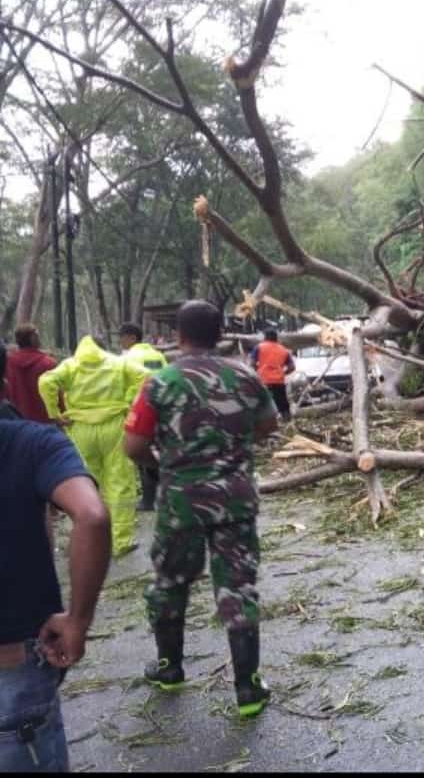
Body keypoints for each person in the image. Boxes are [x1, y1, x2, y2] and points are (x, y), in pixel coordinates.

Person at [123, 300, 278, 718]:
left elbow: (133, 447)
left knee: (170, 582)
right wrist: (232, 452)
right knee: (238, 588)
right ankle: (248, 687)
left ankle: (169, 668)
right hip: (235, 501)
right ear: (222, 333)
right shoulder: (245, 377)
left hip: (180, 504)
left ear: (179, 335)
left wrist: (171, 464)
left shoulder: (159, 384)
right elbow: (268, 425)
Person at [0, 373, 112, 772]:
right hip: (14, 664)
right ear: (4, 381)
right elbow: (92, 515)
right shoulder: (34, 442)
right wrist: (78, 621)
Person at [38, 336, 149, 557]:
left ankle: (90, 540)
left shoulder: (71, 365)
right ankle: (121, 541)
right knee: (120, 482)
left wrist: (55, 413)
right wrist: (128, 402)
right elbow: (145, 375)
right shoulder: (118, 362)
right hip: (114, 426)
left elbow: (45, 381)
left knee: (86, 484)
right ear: (102, 348)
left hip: (81, 429)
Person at [118, 322, 166, 511]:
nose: (120, 341)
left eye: (122, 337)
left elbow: (122, 383)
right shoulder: (157, 355)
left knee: (142, 454)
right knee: (160, 449)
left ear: (132, 337)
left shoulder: (128, 358)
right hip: (162, 406)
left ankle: (148, 499)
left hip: (138, 409)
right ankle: (163, 494)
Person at [4, 325, 57, 423]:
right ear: (33, 339)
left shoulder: (7, 363)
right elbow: (56, 393)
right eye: (37, 335)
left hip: (15, 421)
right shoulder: (48, 363)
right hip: (43, 423)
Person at [249, 328, 295, 422]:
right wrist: (283, 373)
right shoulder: (284, 350)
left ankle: (265, 425)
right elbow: (292, 367)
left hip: (263, 381)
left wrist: (258, 371)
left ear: (265, 337)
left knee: (263, 404)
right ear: (276, 338)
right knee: (283, 404)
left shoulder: (259, 347)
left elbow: (252, 364)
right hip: (278, 381)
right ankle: (288, 424)